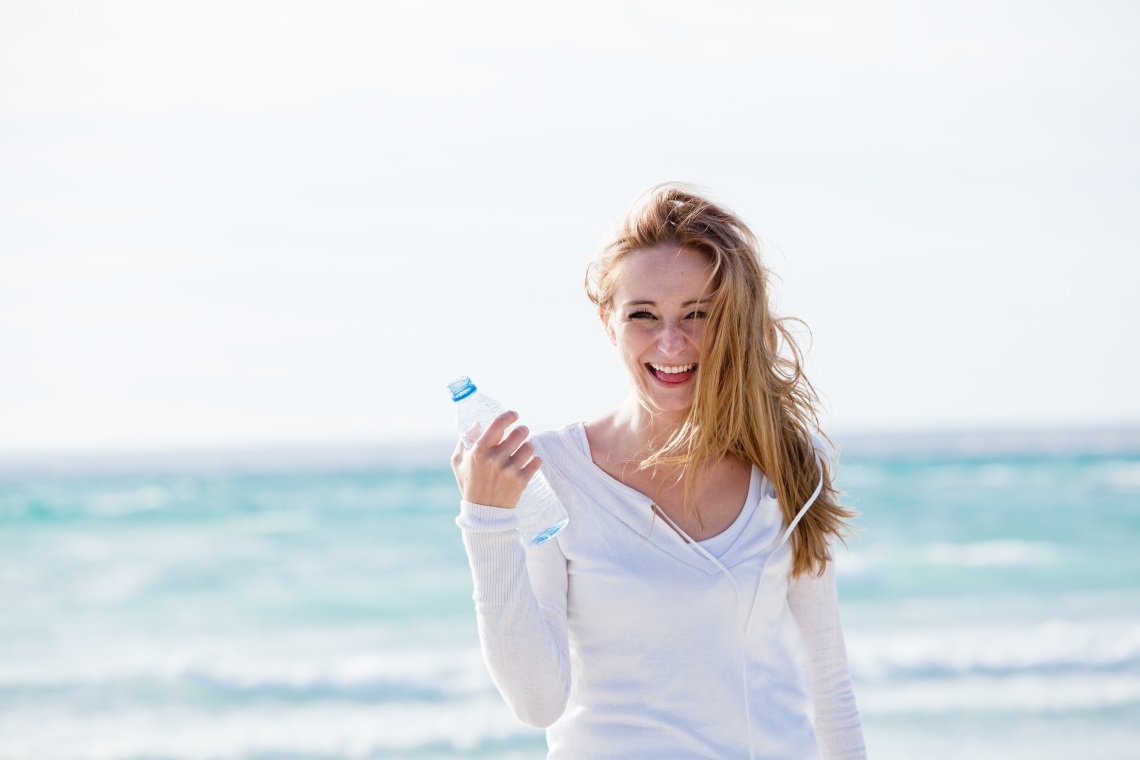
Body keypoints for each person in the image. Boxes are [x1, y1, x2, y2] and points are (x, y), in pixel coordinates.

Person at [450, 183, 866, 759]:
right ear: (607, 320)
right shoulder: (552, 472)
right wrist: (486, 522)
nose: (672, 342)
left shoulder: (789, 464)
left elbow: (828, 685)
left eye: (698, 313)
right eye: (643, 315)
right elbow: (538, 702)